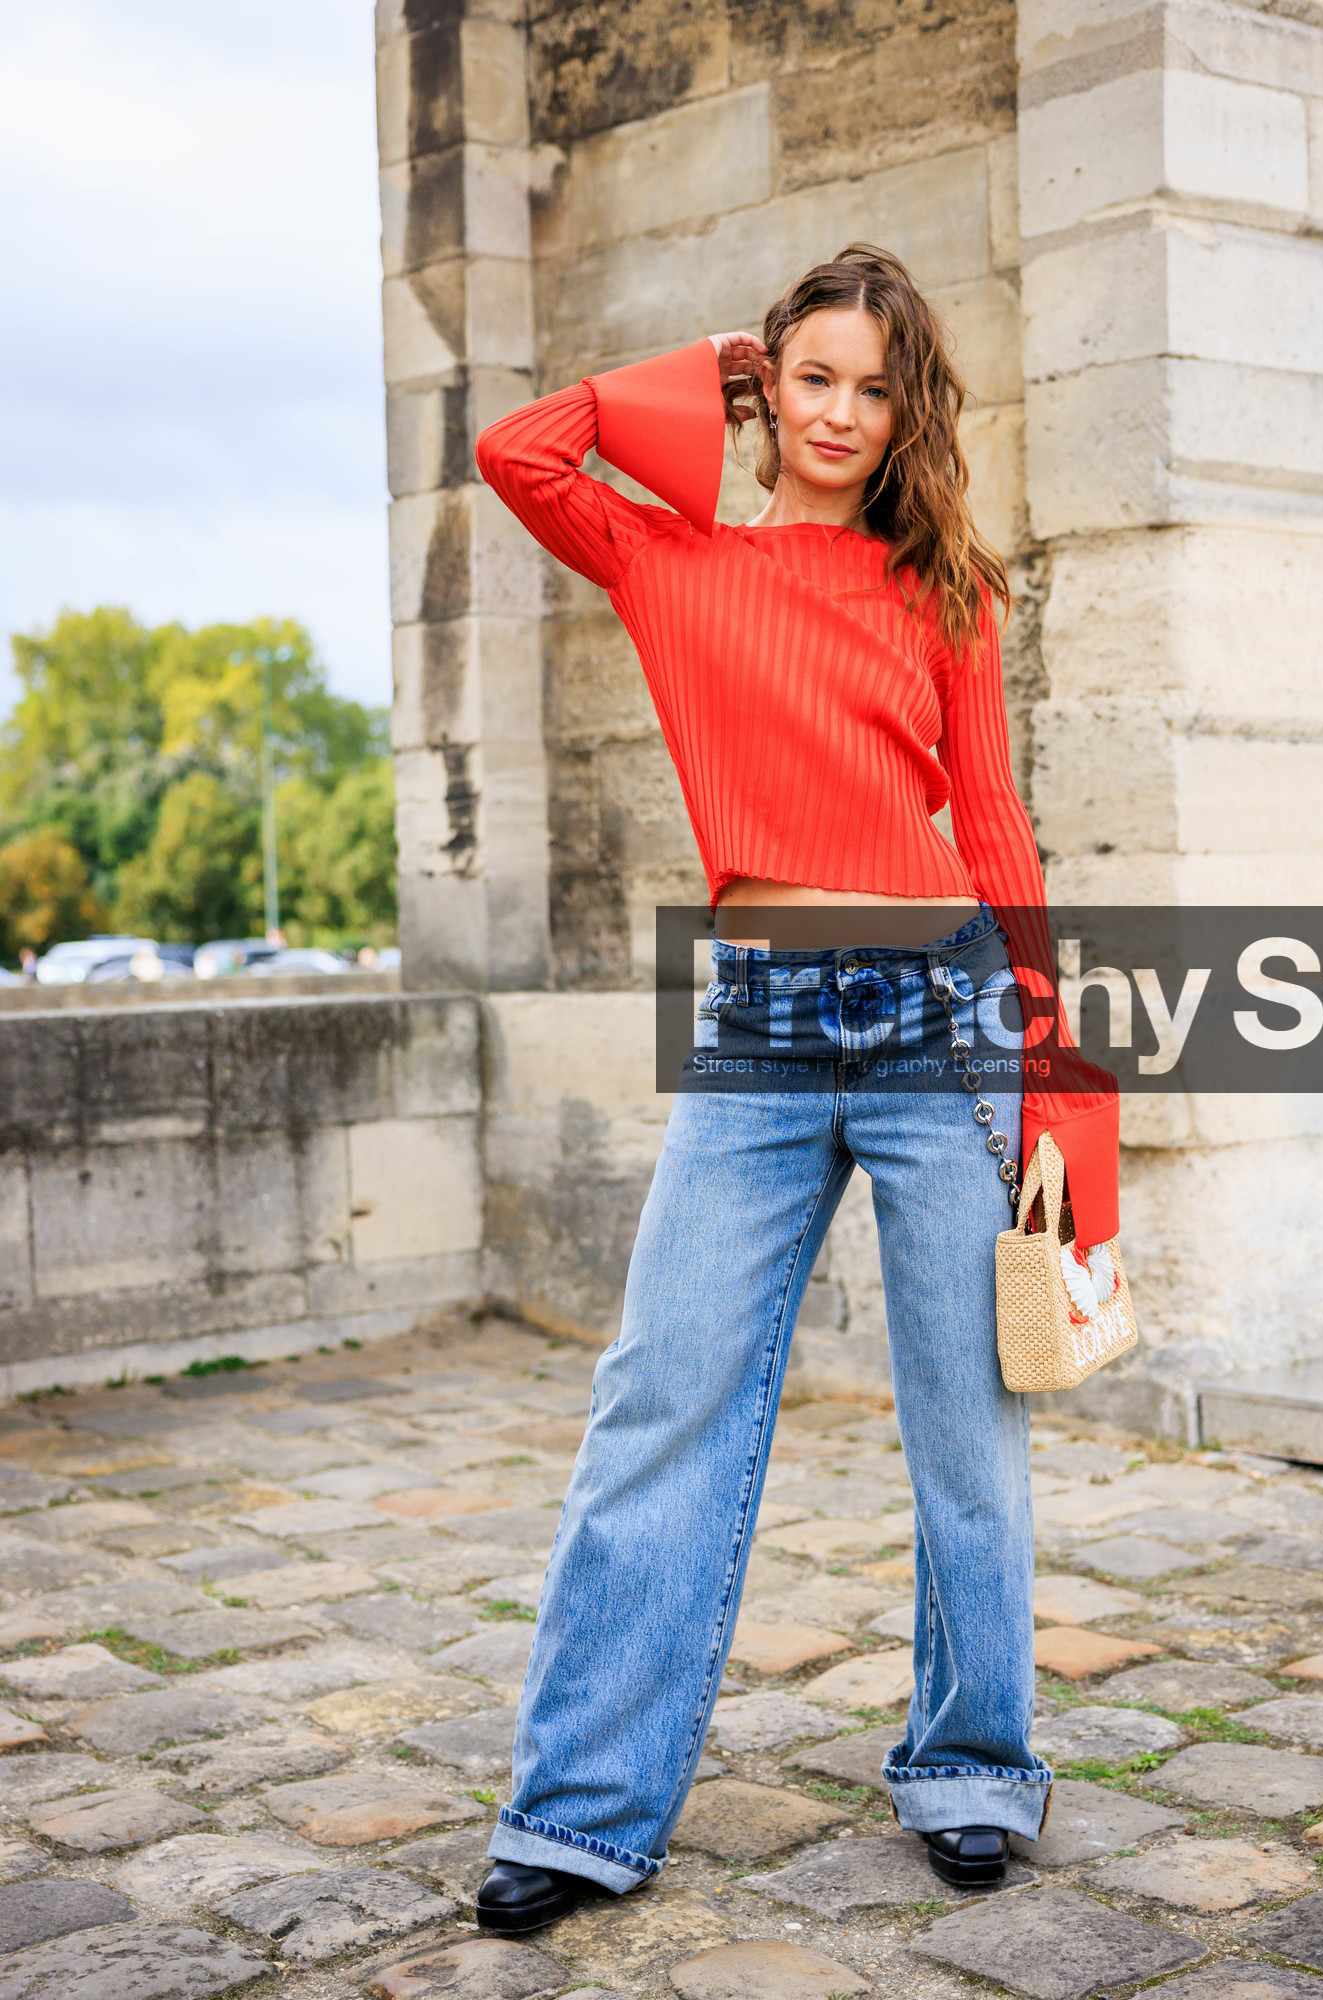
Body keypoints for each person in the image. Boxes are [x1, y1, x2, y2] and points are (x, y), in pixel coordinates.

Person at [470, 244, 1120, 1934]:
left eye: (871, 385)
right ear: (769, 388)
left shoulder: (941, 588)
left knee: (965, 1414)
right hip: (756, 1013)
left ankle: (975, 1765)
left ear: (910, 410)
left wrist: (1048, 1053)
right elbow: (521, 455)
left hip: (943, 1015)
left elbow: (990, 823)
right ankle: (579, 1811)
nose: (840, 413)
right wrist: (709, 365)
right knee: (660, 1393)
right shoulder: (666, 554)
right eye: (809, 377)